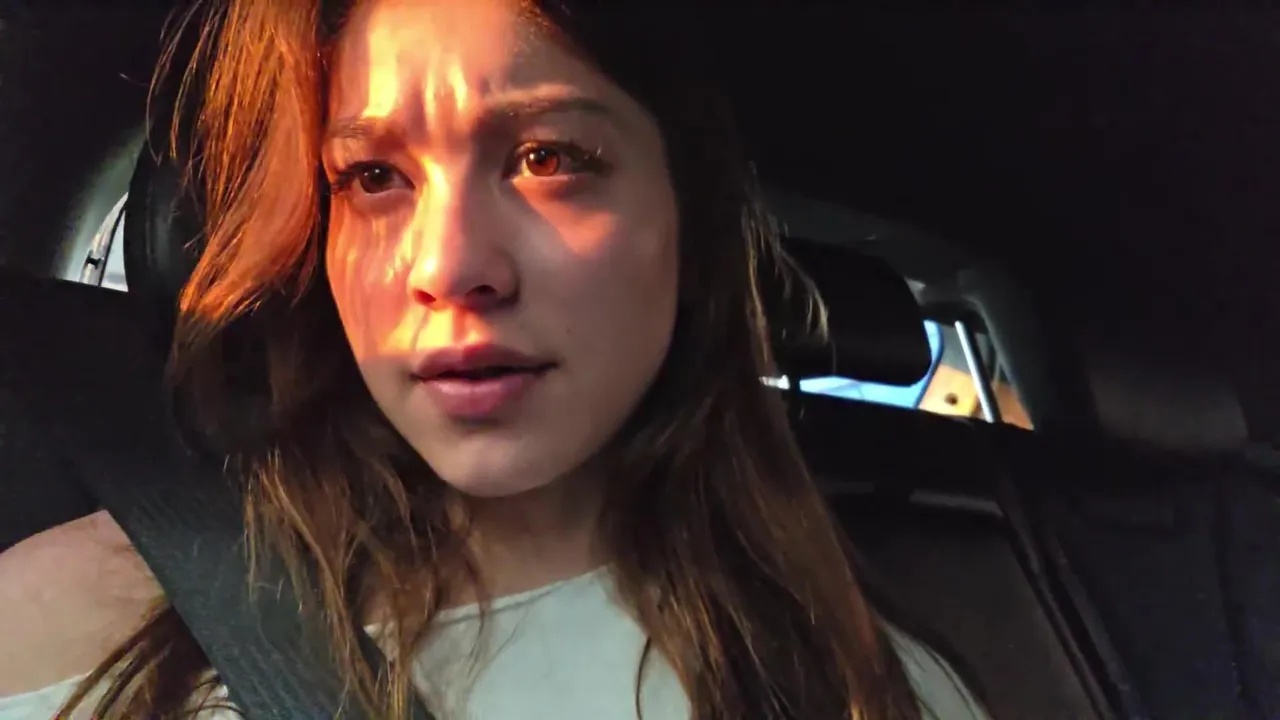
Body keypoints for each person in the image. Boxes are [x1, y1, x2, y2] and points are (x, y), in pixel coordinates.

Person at [0, 0, 990, 718]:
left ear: (691, 225)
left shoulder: (875, 683)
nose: (448, 267)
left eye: (548, 158)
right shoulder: (68, 627)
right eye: (372, 177)